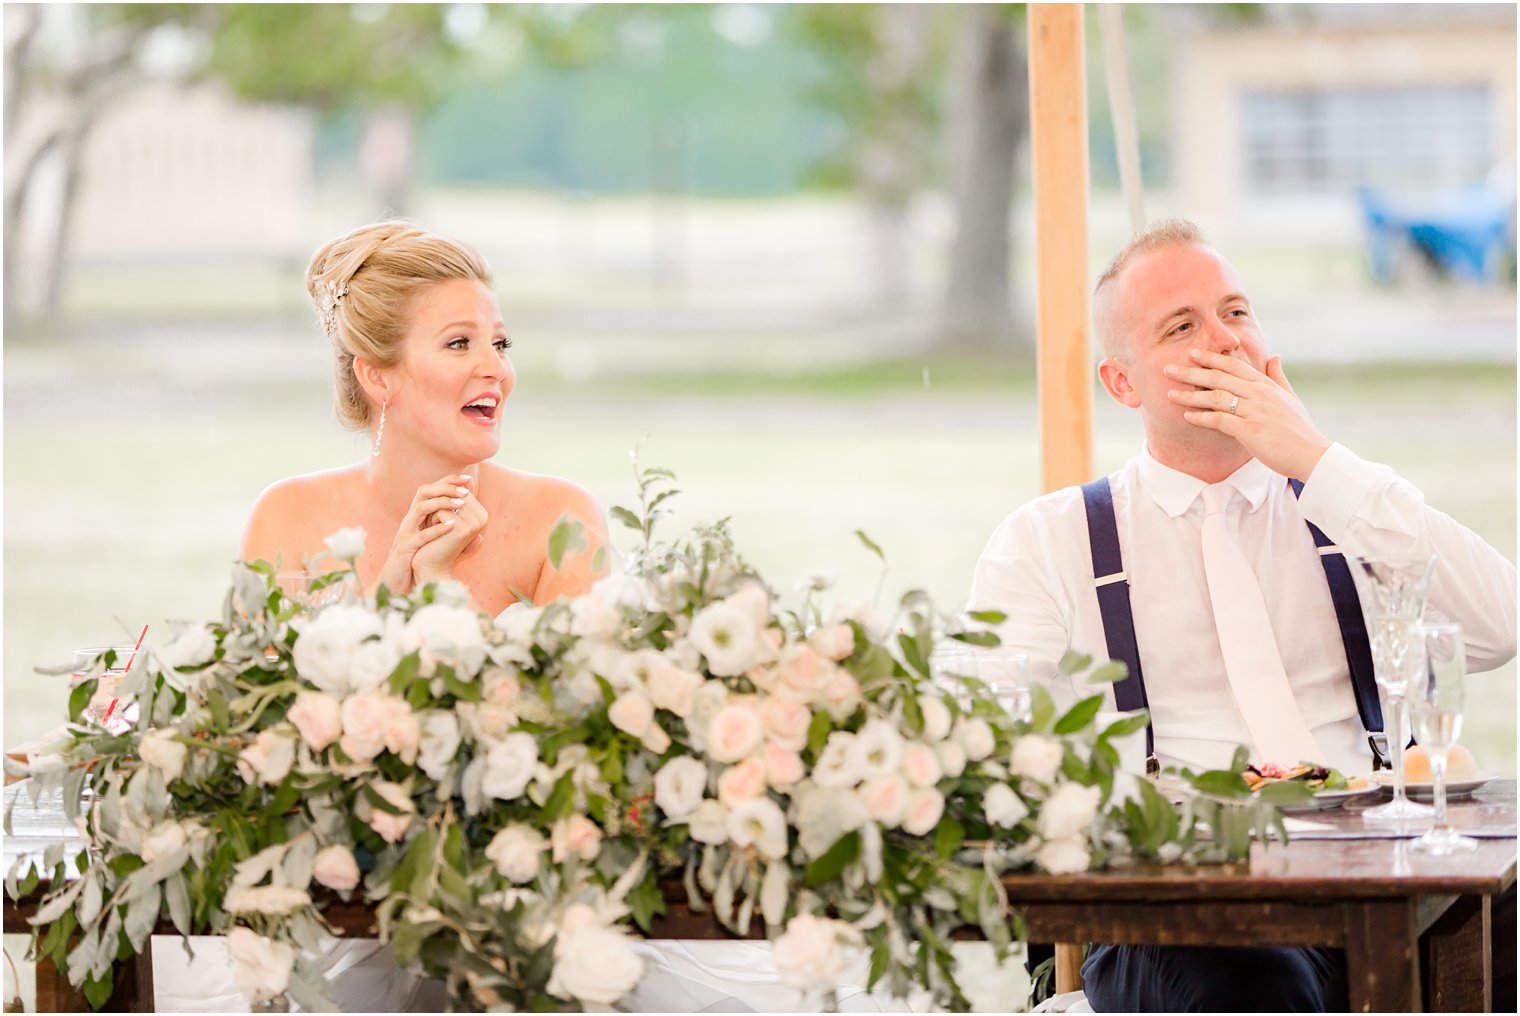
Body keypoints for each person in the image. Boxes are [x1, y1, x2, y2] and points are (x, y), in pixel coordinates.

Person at [967, 218, 1517, 1011]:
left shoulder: (1350, 506)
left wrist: (1317, 460)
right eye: (1181, 327)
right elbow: (984, 738)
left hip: (1385, 880)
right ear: (1123, 384)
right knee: (1249, 981)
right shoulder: (1048, 541)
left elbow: (1502, 627)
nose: (1224, 341)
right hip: (1183, 909)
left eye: (1236, 312)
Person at [241, 220, 608, 610]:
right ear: (378, 378)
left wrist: (437, 583)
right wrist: (389, 591)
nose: (497, 369)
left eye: (500, 344)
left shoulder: (564, 523)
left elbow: (562, 673)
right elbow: (263, 671)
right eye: (459, 343)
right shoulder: (287, 518)